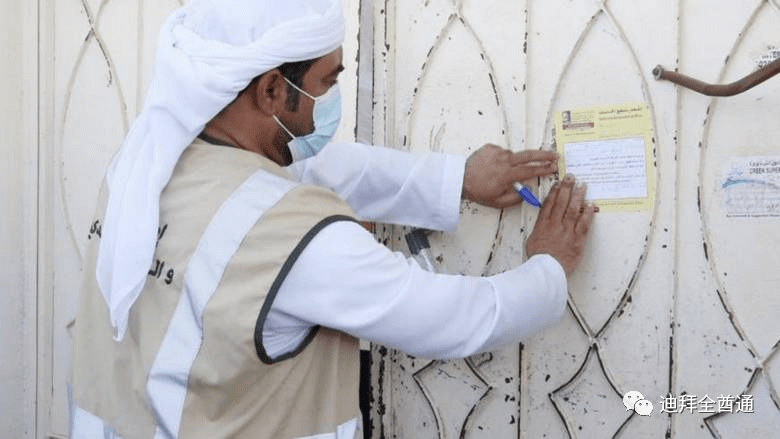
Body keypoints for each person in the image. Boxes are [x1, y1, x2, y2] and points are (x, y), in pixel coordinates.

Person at [70, 0, 597, 438]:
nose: (330, 99)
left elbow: (322, 169)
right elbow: (452, 317)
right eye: (326, 81)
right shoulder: (288, 232)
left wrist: (455, 177)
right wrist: (548, 267)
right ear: (272, 89)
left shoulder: (142, 169)